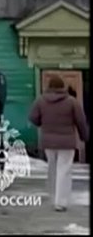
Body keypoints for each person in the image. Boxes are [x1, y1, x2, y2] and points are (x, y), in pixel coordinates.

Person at [29, 75, 89, 212]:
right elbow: (81, 121)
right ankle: (60, 202)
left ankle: (53, 196)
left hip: (48, 142)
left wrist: (42, 123)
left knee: (52, 168)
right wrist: (84, 136)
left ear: (49, 87)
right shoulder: (72, 102)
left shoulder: (41, 101)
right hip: (67, 142)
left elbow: (33, 118)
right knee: (64, 170)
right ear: (63, 87)